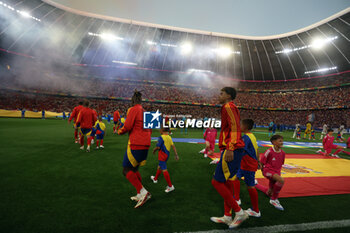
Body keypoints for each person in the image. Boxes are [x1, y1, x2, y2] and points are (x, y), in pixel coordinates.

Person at [210, 87, 248, 229]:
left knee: (217, 182)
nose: (219, 95)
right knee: (226, 183)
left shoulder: (228, 106)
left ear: (228, 96)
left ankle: (239, 212)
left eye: (221, 93)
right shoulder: (228, 107)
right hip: (231, 148)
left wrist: (230, 147)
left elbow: (234, 127)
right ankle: (227, 216)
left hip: (232, 149)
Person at [118, 90, 152, 208]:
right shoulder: (146, 112)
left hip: (136, 144)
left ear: (132, 101)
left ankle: (143, 192)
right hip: (146, 145)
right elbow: (150, 129)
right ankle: (139, 193)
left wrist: (119, 131)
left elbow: (127, 126)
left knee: (126, 170)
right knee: (135, 169)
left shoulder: (133, 109)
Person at [232, 119, 261, 217]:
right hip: (245, 164)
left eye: (241, 124)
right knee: (235, 178)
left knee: (250, 186)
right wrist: (258, 161)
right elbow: (257, 149)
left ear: (245, 126)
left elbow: (240, 151)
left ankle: (256, 210)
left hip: (248, 165)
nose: (239, 125)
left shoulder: (246, 138)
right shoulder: (251, 136)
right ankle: (236, 198)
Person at [255, 135, 285, 211]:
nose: (282, 142)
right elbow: (261, 162)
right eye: (280, 141)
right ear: (274, 142)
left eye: (282, 141)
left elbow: (280, 165)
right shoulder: (269, 151)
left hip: (276, 172)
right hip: (267, 171)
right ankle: (273, 200)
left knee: (269, 192)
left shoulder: (283, 153)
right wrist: (261, 168)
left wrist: (277, 174)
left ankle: (255, 184)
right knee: (281, 180)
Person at [150, 128, 179, 193]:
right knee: (159, 166)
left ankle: (170, 186)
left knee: (164, 169)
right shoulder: (169, 137)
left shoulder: (161, 137)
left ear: (162, 131)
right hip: (167, 155)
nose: (159, 130)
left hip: (162, 155)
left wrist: (154, 150)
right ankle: (155, 179)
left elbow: (158, 147)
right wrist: (176, 155)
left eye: (160, 130)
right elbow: (173, 146)